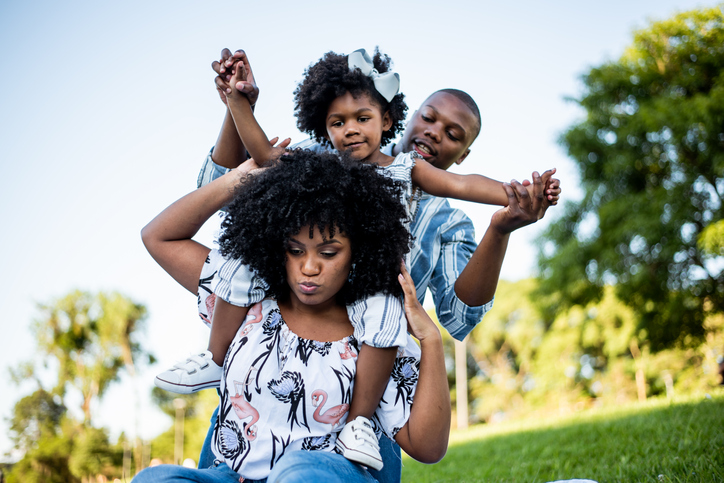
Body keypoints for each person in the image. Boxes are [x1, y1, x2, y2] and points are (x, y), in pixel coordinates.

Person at [156, 47, 559, 470]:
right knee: (240, 261)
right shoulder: (318, 160)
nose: (436, 132)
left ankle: (358, 422)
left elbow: (461, 311)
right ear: (407, 115)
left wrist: (514, 203)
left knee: (385, 312)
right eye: (430, 116)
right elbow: (231, 183)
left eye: (454, 134)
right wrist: (237, 105)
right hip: (267, 381)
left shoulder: (428, 198)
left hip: (362, 349)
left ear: (385, 118)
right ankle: (217, 360)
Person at [137, 150, 453, 482]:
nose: (309, 267)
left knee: (296, 472)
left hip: (325, 474)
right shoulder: (245, 301)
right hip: (233, 474)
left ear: (359, 251)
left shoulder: (375, 336)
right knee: (154, 479)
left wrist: (430, 339)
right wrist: (237, 181)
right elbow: (158, 237)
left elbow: (427, 447)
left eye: (328, 253)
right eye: (295, 250)